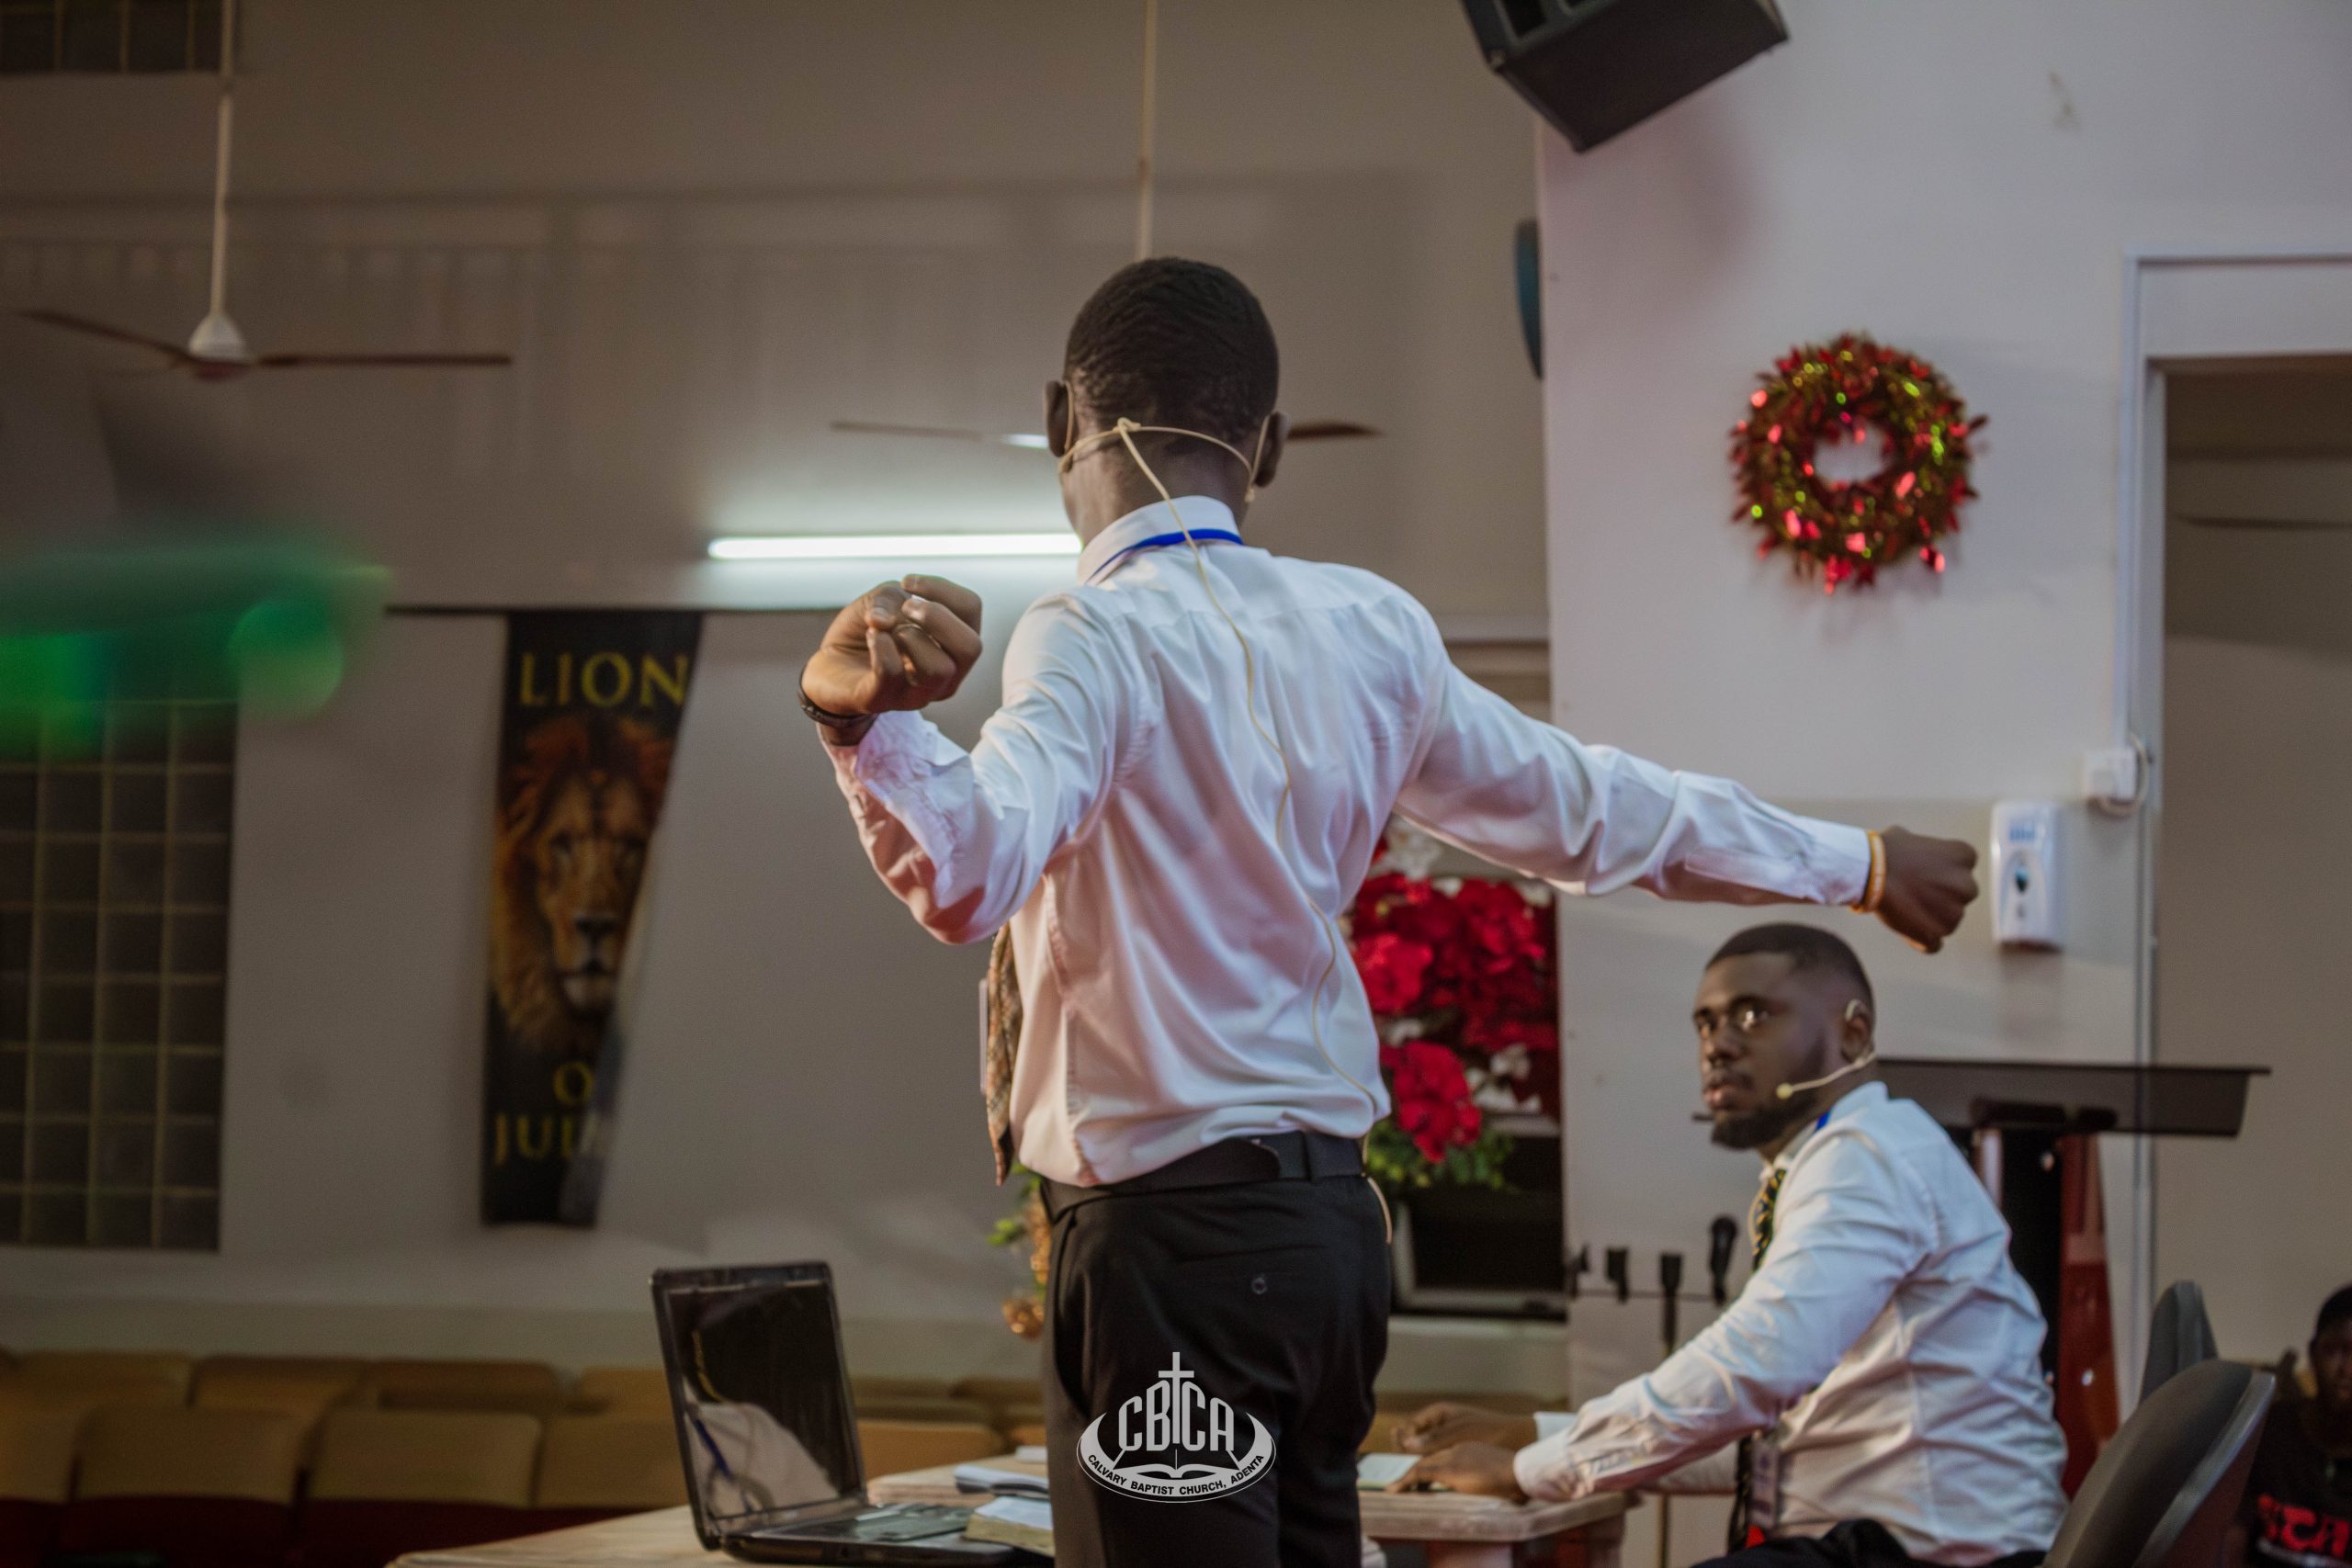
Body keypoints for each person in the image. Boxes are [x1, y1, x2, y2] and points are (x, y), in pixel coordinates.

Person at [798, 258, 1982, 1568]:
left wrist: (862, 728)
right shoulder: (1369, 627)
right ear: (1270, 447)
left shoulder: (1091, 630)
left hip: (1170, 1252)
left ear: (1055, 422)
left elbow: (970, 874)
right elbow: (1599, 810)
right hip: (1328, 1247)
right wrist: (1858, 860)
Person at [1391, 924, 2064, 1568]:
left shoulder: (1867, 1156)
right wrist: (1538, 1435)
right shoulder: (1836, 1158)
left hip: (1938, 1558)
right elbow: (1772, 1438)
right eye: (1706, 1023)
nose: (1718, 1045)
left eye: (1752, 1015)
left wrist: (1528, 1469)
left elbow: (1755, 1366)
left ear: (1853, 1032)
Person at [2235, 1286, 2352, 1568]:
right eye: (2334, 1350)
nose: (2346, 1370)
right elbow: (2229, 1534)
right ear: (2313, 1353)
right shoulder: (2269, 1430)